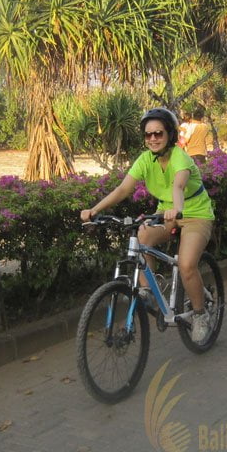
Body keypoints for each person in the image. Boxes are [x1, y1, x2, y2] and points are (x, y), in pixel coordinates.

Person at [80, 108, 215, 344]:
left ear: (170, 134)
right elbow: (123, 189)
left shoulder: (180, 157)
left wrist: (177, 209)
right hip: (165, 213)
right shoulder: (145, 160)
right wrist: (94, 210)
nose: (153, 138)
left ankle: (200, 314)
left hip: (195, 213)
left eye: (158, 133)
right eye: (148, 134)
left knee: (186, 265)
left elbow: (178, 186)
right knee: (142, 237)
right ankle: (148, 291)